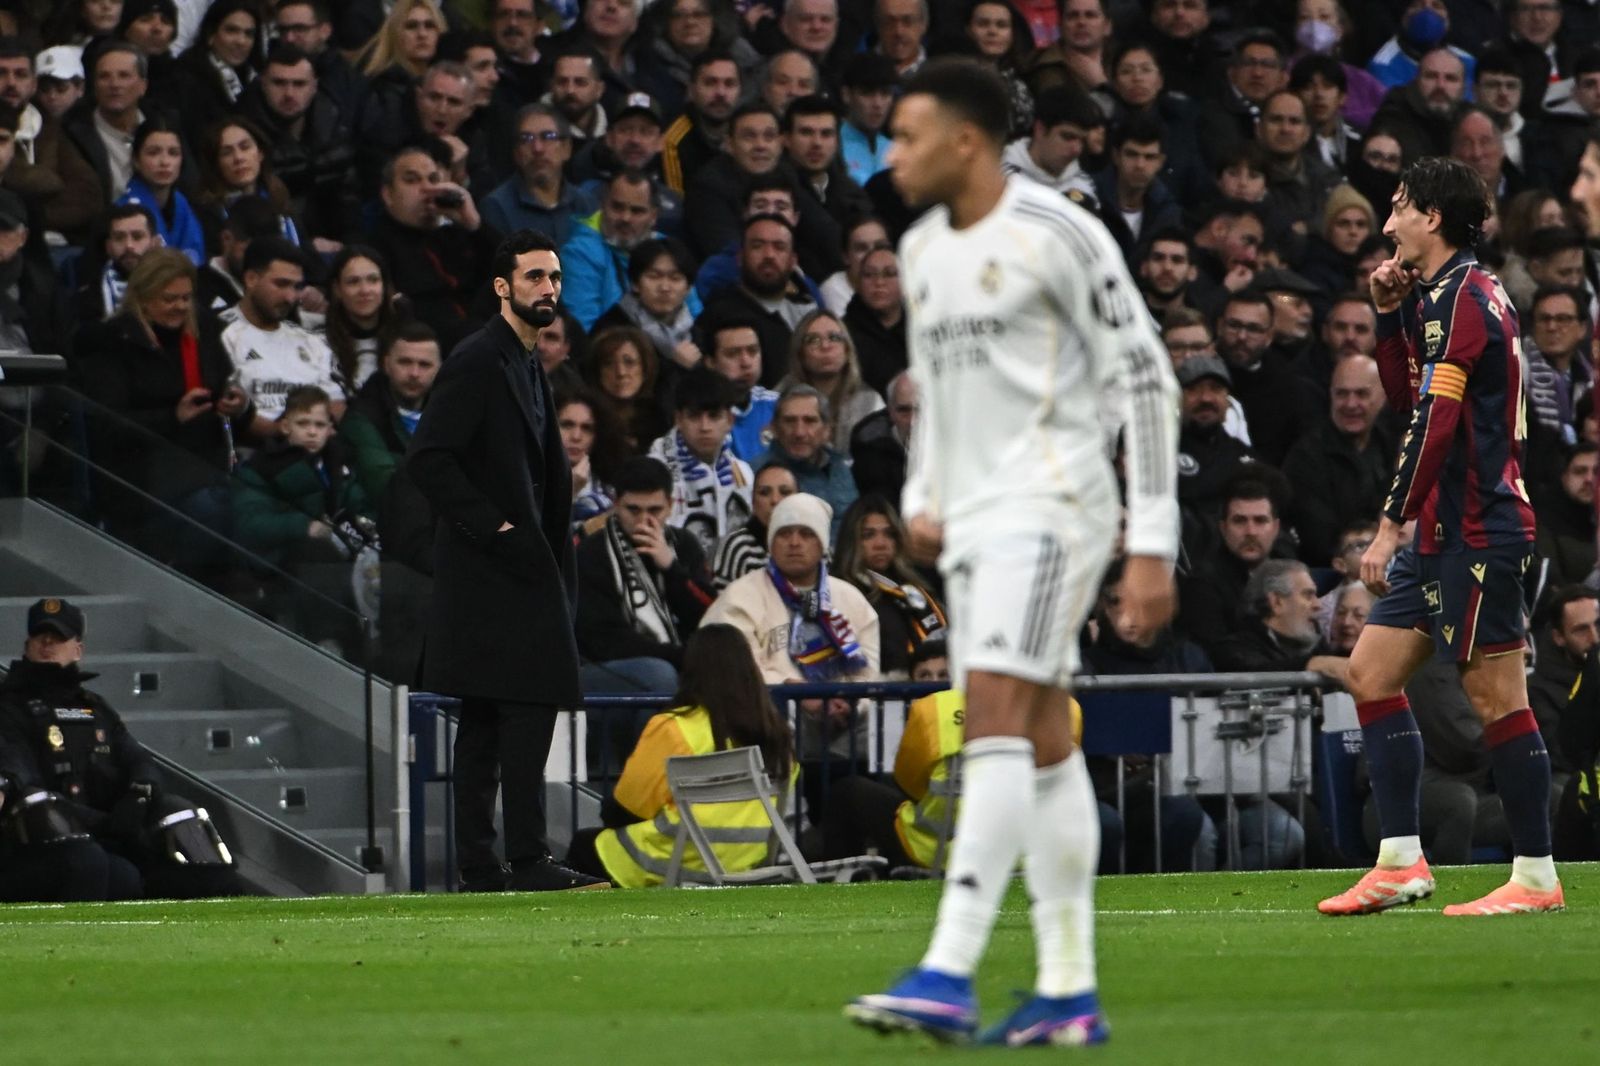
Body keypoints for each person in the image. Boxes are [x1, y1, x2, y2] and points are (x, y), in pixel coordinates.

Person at [847, 59, 1178, 1047]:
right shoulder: (919, 252)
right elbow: (935, 391)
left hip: (1053, 504)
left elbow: (1148, 378)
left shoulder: (1059, 229)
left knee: (986, 712)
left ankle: (947, 967)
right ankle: (1069, 991)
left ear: (965, 140)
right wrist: (920, 495)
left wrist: (1151, 540)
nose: (893, 154)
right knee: (1038, 739)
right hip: (973, 520)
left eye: (908, 136)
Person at [1319, 157, 1561, 917]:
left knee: (1493, 696)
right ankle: (1399, 862)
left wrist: (1390, 524)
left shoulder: (1464, 296)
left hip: (1480, 529)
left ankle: (1535, 876)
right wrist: (1388, 315)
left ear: (1432, 216)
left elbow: (1436, 421)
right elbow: (1409, 398)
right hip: (1447, 529)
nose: (1387, 224)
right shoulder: (1444, 296)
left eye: (1398, 208)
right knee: (1371, 672)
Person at [406, 228, 608, 893]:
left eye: (553, 278)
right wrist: (493, 528)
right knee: (516, 712)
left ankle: (486, 864)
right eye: (534, 278)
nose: (548, 288)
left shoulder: (523, 360)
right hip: (492, 571)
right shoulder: (478, 359)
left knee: (495, 720)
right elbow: (429, 457)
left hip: (515, 567)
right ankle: (519, 858)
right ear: (502, 286)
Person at [0, 598, 240, 901]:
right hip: (49, 841)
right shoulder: (9, 706)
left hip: (111, 830)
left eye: (58, 637)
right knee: (112, 872)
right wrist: (107, 823)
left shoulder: (95, 708)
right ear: (27, 645)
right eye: (40, 636)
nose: (48, 643)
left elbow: (138, 759)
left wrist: (139, 796)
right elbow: (24, 780)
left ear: (77, 650)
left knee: (183, 825)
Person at [561, 624, 796, 887]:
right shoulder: (778, 736)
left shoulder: (674, 727)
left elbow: (625, 810)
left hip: (670, 862)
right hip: (747, 863)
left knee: (584, 846)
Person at [230, 385, 375, 649]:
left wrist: (365, 525)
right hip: (280, 560)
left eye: (320, 425)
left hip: (340, 553)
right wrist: (303, 527)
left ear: (330, 429)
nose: (312, 431)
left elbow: (360, 504)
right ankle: (330, 641)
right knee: (316, 551)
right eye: (303, 423)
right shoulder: (261, 469)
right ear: (285, 427)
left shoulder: (339, 466)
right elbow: (250, 523)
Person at [218, 236, 345, 441]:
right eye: (281, 284)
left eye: (296, 287)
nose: (291, 297)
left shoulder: (311, 341)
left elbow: (337, 405)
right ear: (251, 279)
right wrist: (288, 434)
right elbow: (231, 410)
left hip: (316, 448)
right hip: (255, 454)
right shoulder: (220, 334)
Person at [1280, 354, 1391, 568]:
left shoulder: (1393, 446)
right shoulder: (1306, 457)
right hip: (1331, 572)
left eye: (1361, 394)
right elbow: (1318, 541)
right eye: (1342, 394)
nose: (1350, 404)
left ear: (1383, 397)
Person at [832, 495, 947, 678]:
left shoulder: (916, 590)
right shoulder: (840, 593)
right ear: (852, 540)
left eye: (889, 534)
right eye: (868, 535)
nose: (881, 544)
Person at [645, 364, 751, 556]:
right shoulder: (654, 470)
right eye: (694, 417)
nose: (704, 427)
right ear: (678, 419)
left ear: (729, 420)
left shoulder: (743, 472)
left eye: (714, 416)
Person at [340, 319, 440, 500]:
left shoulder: (450, 412)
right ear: (386, 364)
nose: (414, 373)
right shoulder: (363, 415)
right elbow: (384, 484)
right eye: (405, 362)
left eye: (424, 365)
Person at [754, 384, 857, 536]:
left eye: (809, 421)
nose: (799, 432)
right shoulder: (755, 474)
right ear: (774, 428)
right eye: (790, 421)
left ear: (827, 430)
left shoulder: (843, 468)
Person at [782, 308, 884, 453]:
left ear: (847, 350)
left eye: (834, 338)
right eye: (813, 340)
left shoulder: (870, 401)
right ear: (800, 353)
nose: (825, 346)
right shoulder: (779, 398)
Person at [115, 115, 203, 266]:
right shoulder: (121, 212)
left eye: (173, 153)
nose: (165, 162)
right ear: (136, 160)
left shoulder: (183, 205)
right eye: (153, 153)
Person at [703, 314, 777, 462]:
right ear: (710, 363)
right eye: (733, 354)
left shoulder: (778, 405)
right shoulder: (699, 416)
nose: (746, 362)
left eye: (752, 351)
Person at [712, 462, 797, 589]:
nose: (775, 500)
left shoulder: (815, 542)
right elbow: (725, 605)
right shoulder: (737, 546)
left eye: (785, 492)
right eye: (764, 493)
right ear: (753, 502)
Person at [587, 323, 669, 452]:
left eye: (629, 362)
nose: (621, 372)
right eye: (609, 363)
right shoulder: (585, 419)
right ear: (598, 371)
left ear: (645, 368)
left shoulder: (661, 421)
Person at [850, 369, 915, 502]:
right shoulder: (870, 453)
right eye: (904, 411)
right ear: (890, 411)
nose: (913, 420)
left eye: (921, 409)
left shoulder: (959, 445)